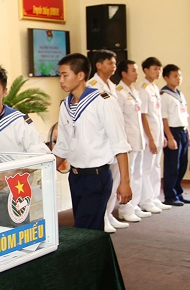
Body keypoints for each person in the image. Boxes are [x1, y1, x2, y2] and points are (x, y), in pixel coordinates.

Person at [53, 53, 132, 231]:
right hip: (75, 176)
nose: (61, 80)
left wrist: (125, 182)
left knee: (86, 229)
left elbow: (120, 144)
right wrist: (45, 173)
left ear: (80, 75)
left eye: (65, 75)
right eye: (60, 75)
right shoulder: (66, 105)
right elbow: (62, 147)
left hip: (97, 176)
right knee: (87, 230)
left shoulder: (103, 101)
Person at [0, 63, 50, 228]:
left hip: (13, 199)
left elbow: (42, 155)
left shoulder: (19, 122)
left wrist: (13, 173)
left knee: (14, 242)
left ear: (4, 91)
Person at [86, 49, 130, 232]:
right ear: (98, 65)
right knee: (105, 181)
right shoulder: (92, 85)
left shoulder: (112, 85)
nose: (114, 66)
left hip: (114, 138)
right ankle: (101, 216)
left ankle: (108, 214)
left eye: (114, 63)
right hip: (101, 140)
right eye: (110, 62)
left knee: (115, 179)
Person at [114, 60, 153, 221]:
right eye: (133, 70)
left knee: (138, 174)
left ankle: (134, 205)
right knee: (127, 175)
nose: (137, 74)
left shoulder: (134, 91)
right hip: (128, 141)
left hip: (138, 139)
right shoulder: (119, 92)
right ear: (124, 73)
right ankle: (125, 208)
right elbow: (119, 120)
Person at [137, 57, 170, 213]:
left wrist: (162, 136)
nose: (158, 72)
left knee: (156, 166)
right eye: (155, 69)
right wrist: (150, 138)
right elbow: (143, 115)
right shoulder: (143, 89)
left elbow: (157, 115)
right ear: (146, 70)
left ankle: (154, 197)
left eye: (159, 69)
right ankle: (145, 200)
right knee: (146, 167)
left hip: (157, 134)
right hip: (148, 136)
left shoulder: (155, 88)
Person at [160, 64, 190, 206]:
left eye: (179, 75)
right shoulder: (164, 95)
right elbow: (164, 118)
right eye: (175, 76)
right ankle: (170, 196)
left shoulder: (179, 94)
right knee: (172, 165)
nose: (178, 78)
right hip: (173, 132)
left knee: (182, 165)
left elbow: (185, 116)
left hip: (183, 131)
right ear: (166, 78)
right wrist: (170, 137)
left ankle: (178, 193)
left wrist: (188, 134)